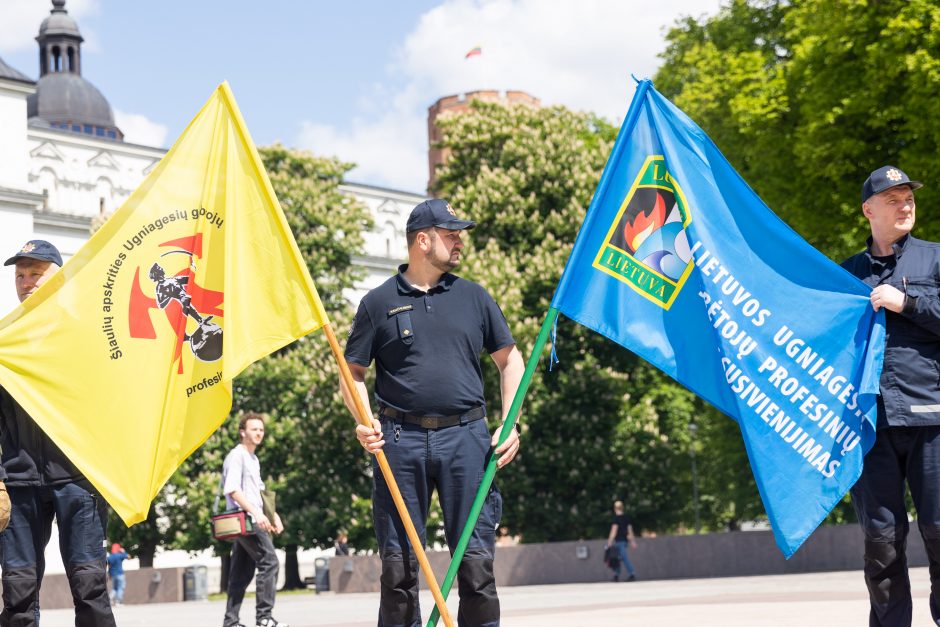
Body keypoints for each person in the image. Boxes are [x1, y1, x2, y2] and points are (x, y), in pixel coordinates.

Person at [341, 198, 525, 627]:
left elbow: (510, 360)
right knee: (399, 568)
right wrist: (364, 423)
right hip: (398, 443)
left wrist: (510, 423)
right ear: (422, 240)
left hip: (468, 441)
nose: (459, 241)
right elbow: (352, 373)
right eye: (450, 234)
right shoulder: (377, 302)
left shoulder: (474, 297)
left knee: (477, 567)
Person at [842, 165, 940, 626]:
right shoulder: (845, 275)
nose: (906, 206)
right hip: (870, 427)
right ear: (869, 210)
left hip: (932, 419)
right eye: (894, 199)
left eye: (910, 199)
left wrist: (911, 303)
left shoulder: (935, 259)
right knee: (880, 541)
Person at [0, 239, 116, 626]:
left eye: (36, 273)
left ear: (60, 278)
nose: (26, 281)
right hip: (18, 484)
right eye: (20, 274)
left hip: (79, 481)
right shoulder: (5, 344)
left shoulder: (89, 336)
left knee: (90, 589)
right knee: (16, 594)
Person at [221, 412, 287, 627]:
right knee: (269, 562)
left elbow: (259, 491)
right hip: (246, 520)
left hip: (252, 518)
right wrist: (257, 514)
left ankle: (230, 622)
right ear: (243, 432)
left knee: (241, 572)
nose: (259, 433)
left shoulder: (253, 458)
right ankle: (264, 618)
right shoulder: (237, 455)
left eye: (261, 429)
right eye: (254, 429)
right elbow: (232, 490)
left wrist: (273, 515)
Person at [605, 501, 637, 582]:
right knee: (617, 558)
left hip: (619, 541)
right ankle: (616, 575)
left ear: (615, 509)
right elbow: (630, 531)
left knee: (623, 557)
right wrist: (632, 541)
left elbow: (614, 530)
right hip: (625, 541)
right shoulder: (627, 518)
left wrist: (610, 541)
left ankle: (631, 573)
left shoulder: (616, 519)